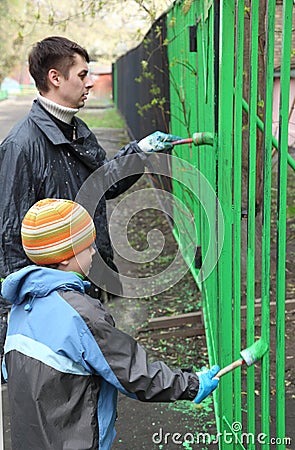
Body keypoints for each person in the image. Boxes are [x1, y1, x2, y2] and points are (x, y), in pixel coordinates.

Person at [0, 36, 181, 357]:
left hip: (87, 283)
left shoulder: (76, 129)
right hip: (53, 300)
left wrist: (139, 151)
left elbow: (104, 184)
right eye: (82, 75)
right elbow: (10, 236)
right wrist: (14, 316)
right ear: (56, 78)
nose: (91, 82)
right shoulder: (21, 147)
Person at [1, 198, 220, 450]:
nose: (94, 251)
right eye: (87, 246)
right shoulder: (81, 315)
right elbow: (134, 373)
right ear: (64, 257)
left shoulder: (19, 309)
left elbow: (14, 374)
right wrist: (191, 384)